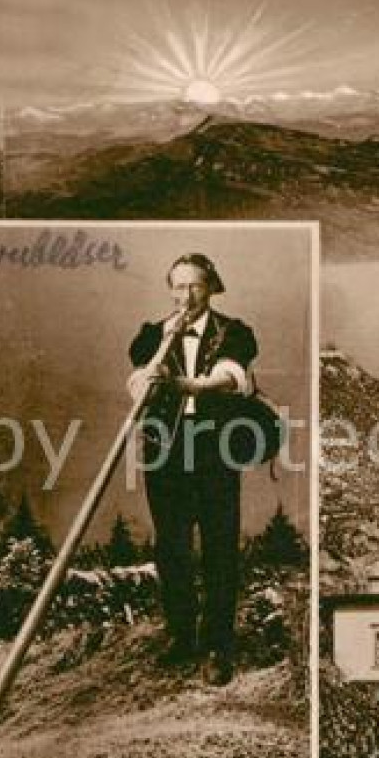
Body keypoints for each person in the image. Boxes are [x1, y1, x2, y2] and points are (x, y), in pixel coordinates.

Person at [126, 253, 258, 685]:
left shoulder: (233, 333)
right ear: (170, 290)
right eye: (179, 287)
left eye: (195, 286)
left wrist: (192, 385)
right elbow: (136, 384)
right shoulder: (150, 336)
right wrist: (155, 363)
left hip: (215, 452)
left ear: (211, 287)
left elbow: (232, 375)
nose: (186, 296)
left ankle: (218, 646)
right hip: (165, 453)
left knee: (219, 547)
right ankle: (182, 636)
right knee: (172, 547)